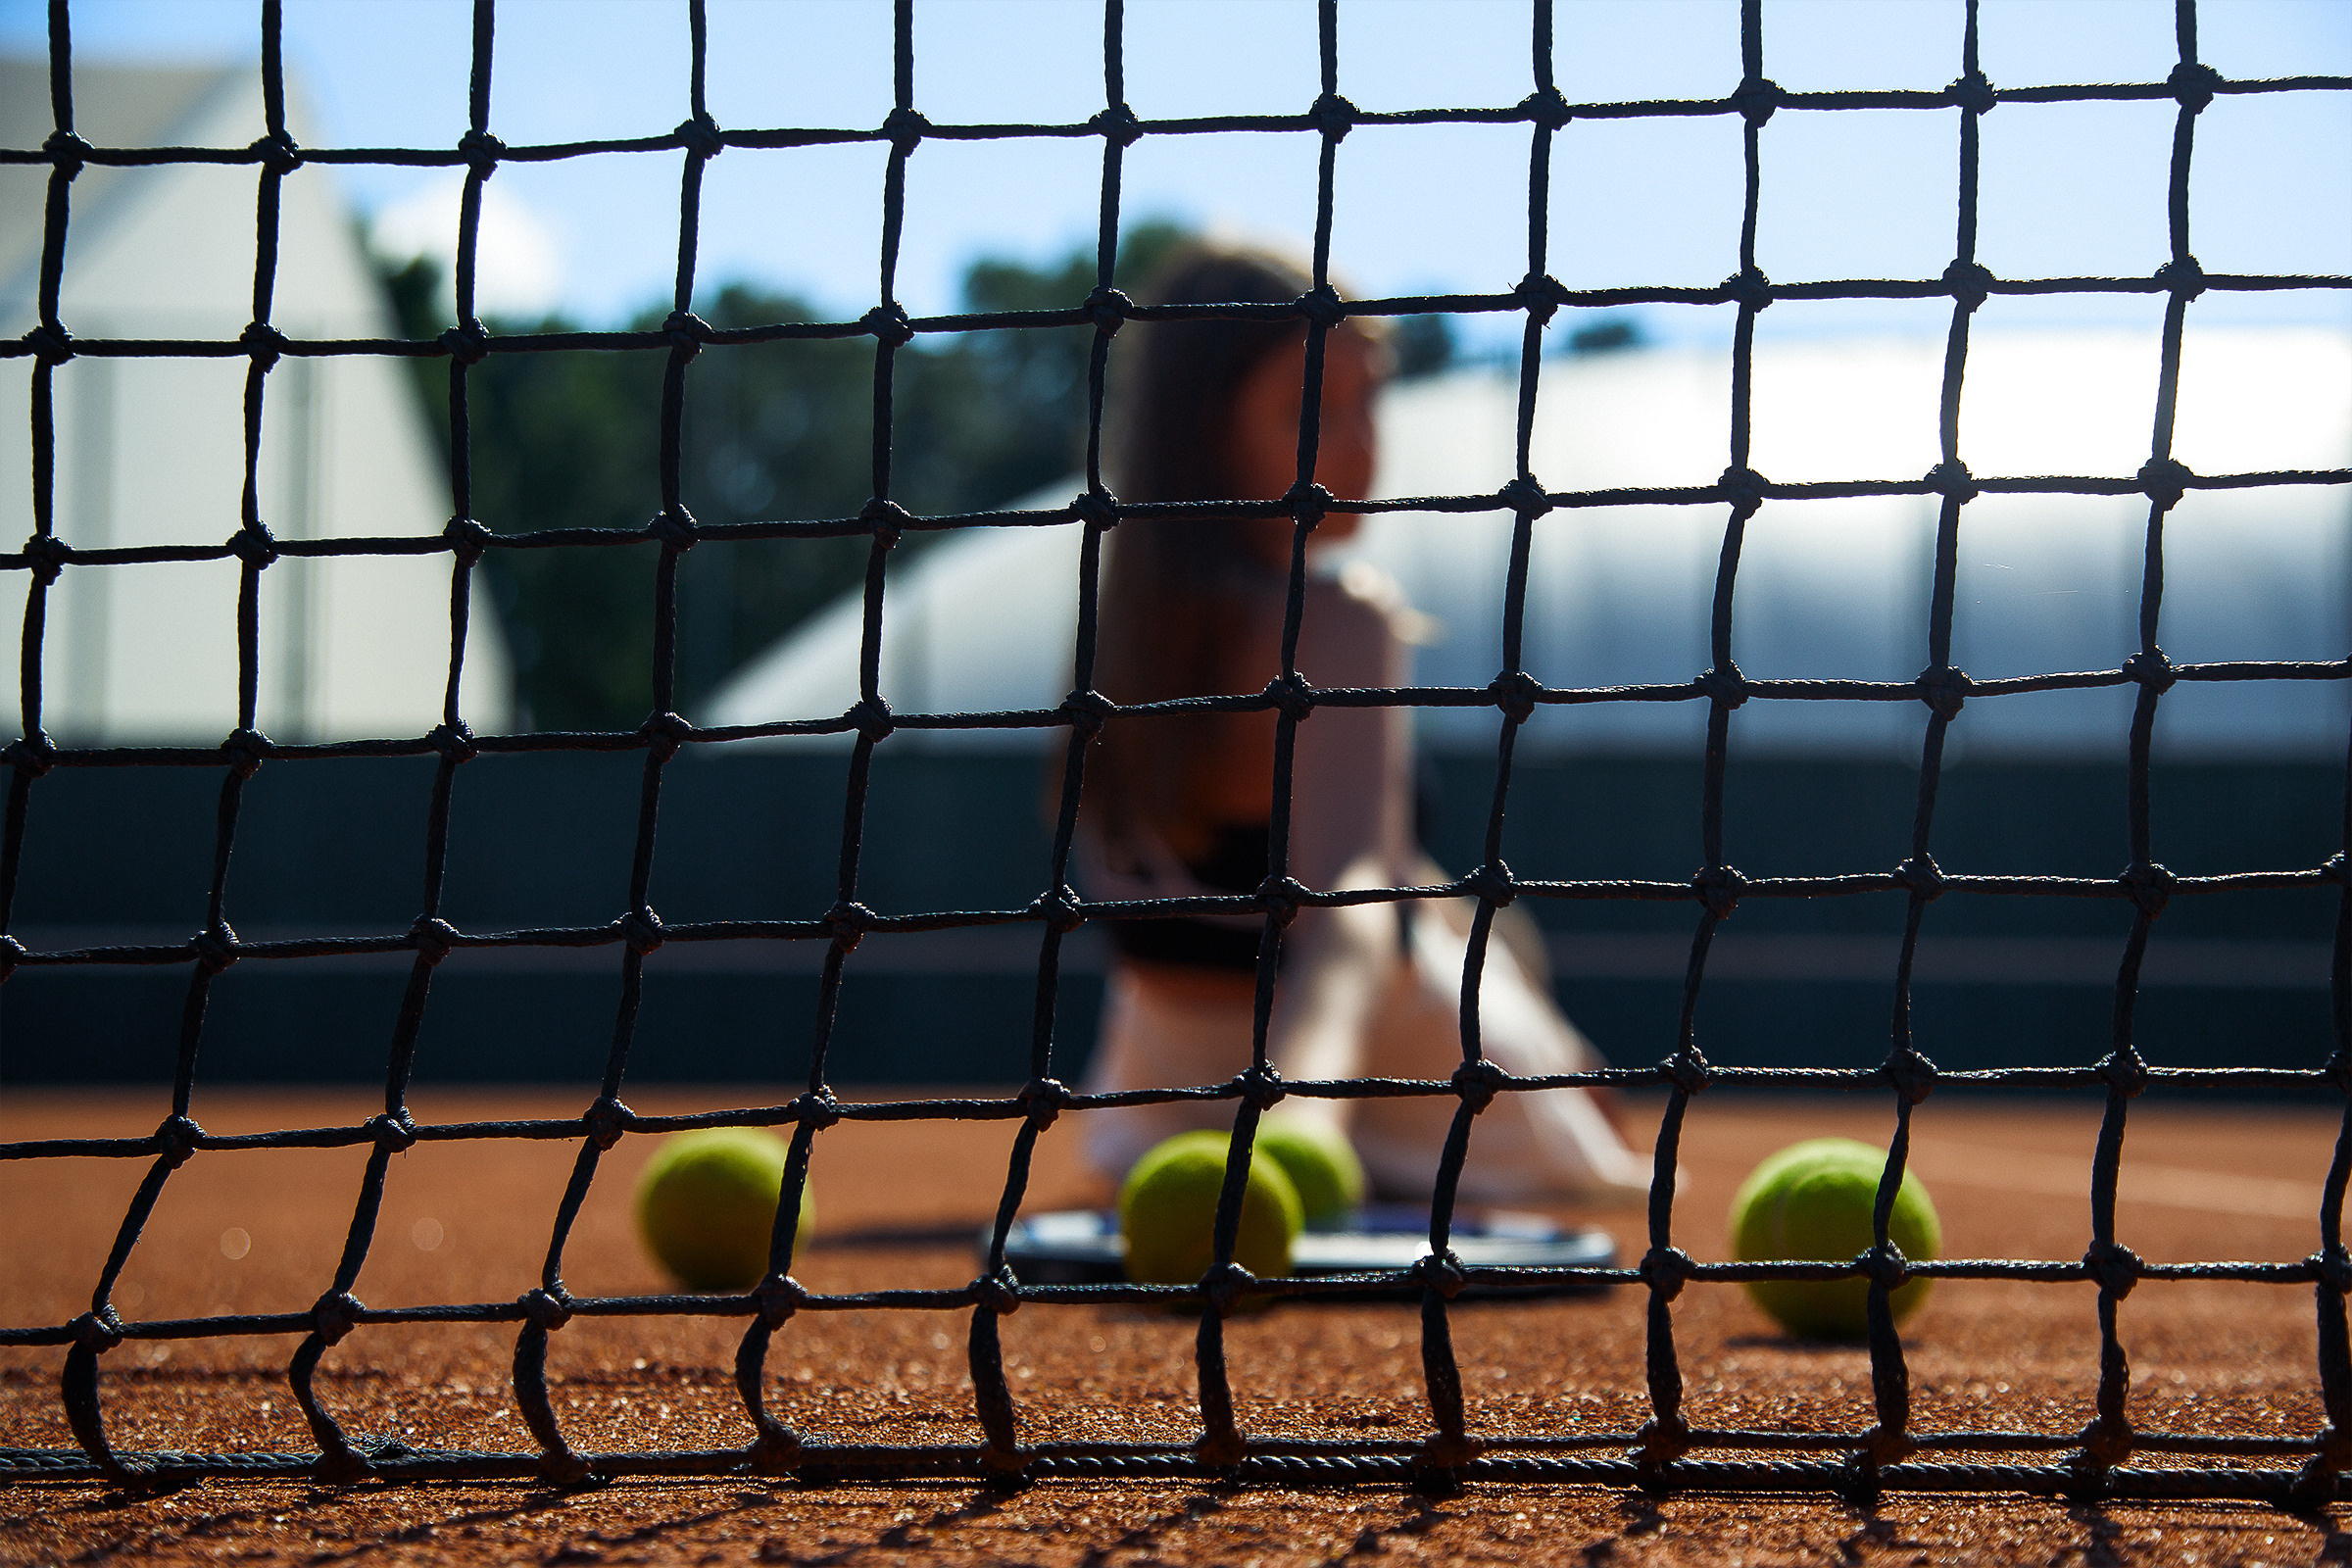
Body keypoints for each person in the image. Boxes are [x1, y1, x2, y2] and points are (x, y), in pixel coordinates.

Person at [1072, 242, 1649, 1206]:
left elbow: (1358, 873)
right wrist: (1300, 1105)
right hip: (1382, 1062)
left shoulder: (1118, 622)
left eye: (1366, 399)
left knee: (1476, 919)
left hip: (1157, 1088)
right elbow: (1349, 907)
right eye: (1311, 408)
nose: (1358, 440)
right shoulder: (1342, 617)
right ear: (1203, 431)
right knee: (1593, 1177)